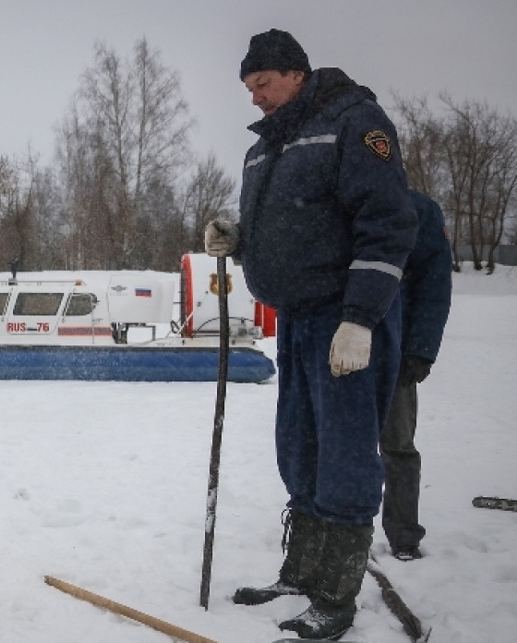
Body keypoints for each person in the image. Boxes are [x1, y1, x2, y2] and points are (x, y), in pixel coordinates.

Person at [205, 29, 417, 640]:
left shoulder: (354, 123)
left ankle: (335, 594)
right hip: (296, 322)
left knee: (346, 453)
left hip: (343, 318)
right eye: (248, 88)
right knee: (299, 448)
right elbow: (298, 226)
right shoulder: (268, 145)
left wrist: (360, 320)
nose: (254, 99)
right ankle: (300, 573)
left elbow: (386, 224)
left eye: (262, 84)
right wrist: (239, 238)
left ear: (295, 74)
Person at [382, 190, 453, 562]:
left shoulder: (418, 210)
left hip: (396, 350)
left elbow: (435, 283)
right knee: (334, 446)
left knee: (398, 446)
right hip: (339, 344)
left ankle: (404, 535)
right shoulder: (337, 201)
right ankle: (335, 530)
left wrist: (421, 348)